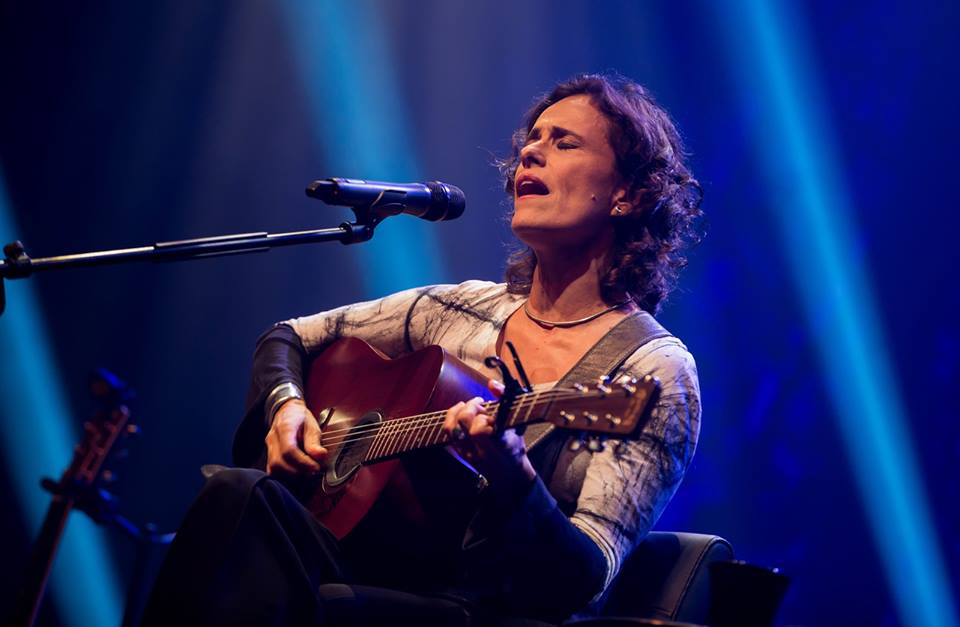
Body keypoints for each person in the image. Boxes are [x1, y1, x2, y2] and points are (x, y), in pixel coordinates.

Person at [141, 73, 704, 626]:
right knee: (241, 492)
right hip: (376, 565)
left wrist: (513, 473)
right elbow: (288, 336)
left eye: (564, 143)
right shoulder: (456, 309)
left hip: (487, 609)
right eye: (532, 139)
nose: (531, 153)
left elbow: (585, 579)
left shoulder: (652, 369)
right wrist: (286, 408)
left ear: (628, 194)